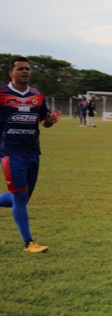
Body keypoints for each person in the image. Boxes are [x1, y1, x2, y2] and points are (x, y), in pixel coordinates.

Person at [0, 56, 59, 252]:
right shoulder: (2, 94)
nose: (25, 71)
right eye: (20, 69)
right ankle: (29, 243)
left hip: (32, 153)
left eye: (27, 69)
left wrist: (49, 121)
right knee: (19, 197)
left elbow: (43, 121)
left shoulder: (38, 95)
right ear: (11, 73)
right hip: (10, 153)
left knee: (22, 198)